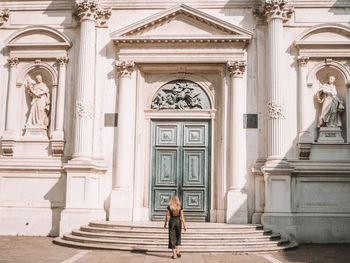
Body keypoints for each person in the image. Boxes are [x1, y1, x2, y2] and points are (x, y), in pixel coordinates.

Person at [164, 195, 186, 259]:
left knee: (172, 237)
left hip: (172, 221)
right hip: (178, 221)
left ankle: (174, 254)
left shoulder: (169, 207)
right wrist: (184, 225)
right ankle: (178, 251)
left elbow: (167, 216)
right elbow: (182, 217)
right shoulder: (180, 207)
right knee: (178, 236)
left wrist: (165, 223)